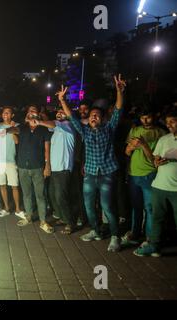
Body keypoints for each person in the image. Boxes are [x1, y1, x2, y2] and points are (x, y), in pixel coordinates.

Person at [59, 74, 127, 252]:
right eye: (91, 115)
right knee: (89, 205)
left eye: (96, 115)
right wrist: (62, 100)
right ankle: (96, 231)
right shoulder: (85, 131)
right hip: (89, 173)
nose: (93, 117)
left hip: (106, 173)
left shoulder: (109, 129)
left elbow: (118, 109)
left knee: (107, 206)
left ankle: (115, 236)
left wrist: (119, 91)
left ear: (102, 118)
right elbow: (71, 117)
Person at [134, 110, 177, 257]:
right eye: (167, 122)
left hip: (176, 189)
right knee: (157, 217)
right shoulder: (164, 139)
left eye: (172, 121)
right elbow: (155, 160)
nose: (169, 125)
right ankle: (154, 246)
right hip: (159, 185)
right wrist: (157, 161)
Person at [123, 109, 166, 245]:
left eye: (148, 117)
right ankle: (135, 233)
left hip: (150, 174)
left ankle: (149, 237)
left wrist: (143, 145)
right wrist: (131, 147)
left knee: (149, 207)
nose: (145, 121)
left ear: (154, 117)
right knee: (136, 206)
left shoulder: (161, 133)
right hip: (133, 173)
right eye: (143, 118)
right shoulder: (135, 130)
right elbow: (127, 152)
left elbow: (155, 160)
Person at [9, 106, 54, 234]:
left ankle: (43, 221)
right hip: (22, 166)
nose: (31, 113)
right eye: (29, 111)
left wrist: (47, 166)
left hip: (38, 167)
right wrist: (11, 127)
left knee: (40, 195)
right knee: (27, 194)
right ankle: (28, 217)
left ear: (38, 115)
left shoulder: (43, 129)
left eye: (33, 111)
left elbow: (47, 149)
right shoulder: (23, 128)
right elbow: (11, 130)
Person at [34, 108, 76, 234]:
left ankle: (70, 222)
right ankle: (63, 218)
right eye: (58, 111)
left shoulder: (68, 126)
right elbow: (51, 124)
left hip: (63, 168)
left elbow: (52, 123)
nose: (59, 113)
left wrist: (39, 122)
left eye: (62, 112)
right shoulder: (56, 129)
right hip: (55, 168)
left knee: (60, 196)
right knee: (52, 195)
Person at [0, 107, 24, 219]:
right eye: (4, 112)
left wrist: (12, 128)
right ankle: (6, 208)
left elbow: (16, 140)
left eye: (8, 112)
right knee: (2, 185)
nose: (5, 113)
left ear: (12, 115)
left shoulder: (16, 125)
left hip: (11, 160)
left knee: (14, 185)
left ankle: (18, 209)